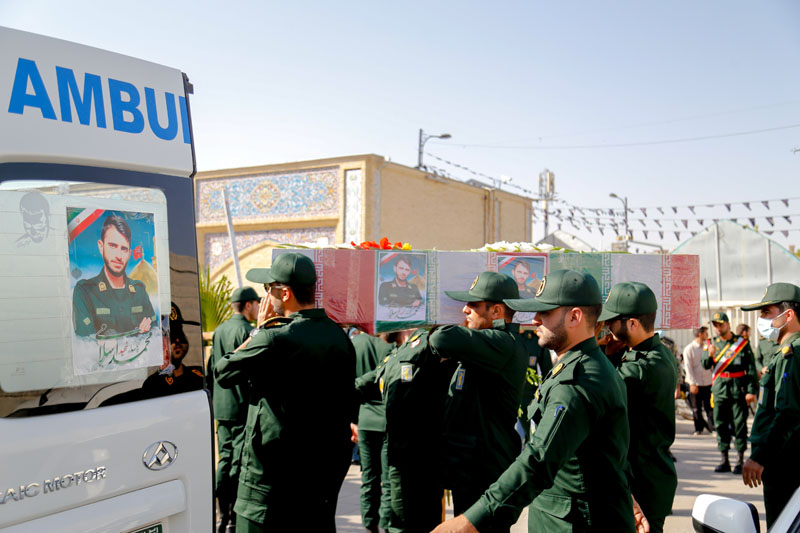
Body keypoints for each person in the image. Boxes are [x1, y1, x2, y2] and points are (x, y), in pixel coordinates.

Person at [432, 269, 638, 533]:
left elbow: (539, 460)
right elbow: (610, 452)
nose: (535, 319)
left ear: (574, 316)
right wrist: (628, 495)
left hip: (574, 523)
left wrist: (469, 521)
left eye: (545, 312)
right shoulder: (581, 365)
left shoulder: (578, 381)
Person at [214, 252, 357, 532]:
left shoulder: (273, 337)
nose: (266, 295)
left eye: (269, 288)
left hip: (269, 488)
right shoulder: (339, 337)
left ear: (285, 293)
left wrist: (258, 331)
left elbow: (223, 372)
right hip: (320, 481)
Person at [429, 271, 528, 520]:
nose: (464, 310)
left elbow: (441, 337)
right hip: (469, 466)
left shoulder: (502, 342)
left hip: (484, 468)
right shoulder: (484, 344)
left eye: (473, 305)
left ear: (496, 311)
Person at [599, 281, 679, 533]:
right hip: (648, 476)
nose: (607, 327)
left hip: (641, 484)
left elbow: (601, 389)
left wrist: (597, 351)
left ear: (632, 324)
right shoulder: (656, 352)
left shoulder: (642, 368)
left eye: (611, 321)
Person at [366, 327, 454, 532]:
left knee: (412, 521)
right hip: (397, 451)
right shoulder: (397, 352)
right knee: (400, 518)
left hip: (419, 453)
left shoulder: (427, 343)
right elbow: (372, 380)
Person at [740, 283, 800, 527]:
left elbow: (789, 413)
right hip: (784, 457)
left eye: (766, 312)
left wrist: (760, 457)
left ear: (789, 314)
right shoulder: (784, 352)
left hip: (785, 461)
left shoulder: (791, 354)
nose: (761, 319)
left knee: (782, 524)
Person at [208, 287, 261, 533]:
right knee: (239, 462)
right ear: (248, 305)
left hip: (222, 405)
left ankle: (222, 515)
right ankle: (233, 517)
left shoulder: (219, 330)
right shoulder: (248, 332)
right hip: (241, 406)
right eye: (257, 303)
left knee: (225, 459)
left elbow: (213, 368)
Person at [72, 214, 155, 337]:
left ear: (129, 253)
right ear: (101, 247)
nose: (118, 256)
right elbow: (85, 341)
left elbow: (155, 333)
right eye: (112, 246)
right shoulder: (85, 291)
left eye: (124, 249)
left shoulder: (139, 291)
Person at [701, 312, 758, 474]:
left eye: (721, 324)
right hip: (720, 389)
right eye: (715, 325)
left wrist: (751, 391)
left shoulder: (741, 343)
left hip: (738, 388)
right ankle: (724, 459)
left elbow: (751, 368)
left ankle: (739, 460)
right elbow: (705, 365)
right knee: (720, 424)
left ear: (728, 324)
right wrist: (709, 355)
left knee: (740, 425)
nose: (718, 328)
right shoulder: (711, 343)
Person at [352, 332, 397, 533]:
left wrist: (352, 420)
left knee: (368, 478)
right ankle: (385, 524)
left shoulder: (356, 343)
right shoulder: (391, 344)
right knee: (387, 481)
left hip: (364, 418)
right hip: (386, 418)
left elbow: (350, 386)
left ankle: (369, 524)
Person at [142, 302, 203, 396]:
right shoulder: (154, 385)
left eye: (179, 332)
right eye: (172, 335)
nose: (177, 340)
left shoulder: (198, 375)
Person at [683, 327, 714, 435]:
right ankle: (699, 428)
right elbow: (688, 368)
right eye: (706, 333)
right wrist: (692, 383)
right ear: (700, 334)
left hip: (708, 382)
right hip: (696, 383)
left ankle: (712, 427)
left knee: (709, 407)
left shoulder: (707, 348)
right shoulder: (689, 349)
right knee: (696, 408)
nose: (707, 335)